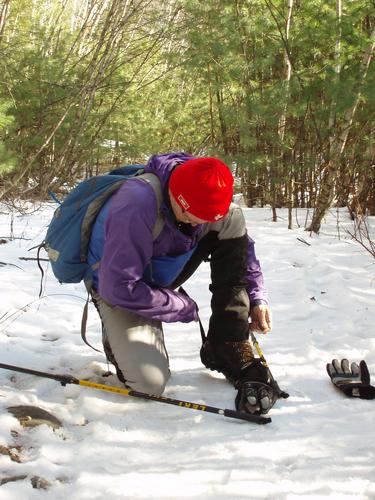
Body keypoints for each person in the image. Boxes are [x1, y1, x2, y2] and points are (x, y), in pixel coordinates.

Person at [87, 152, 280, 415]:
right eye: (190, 216)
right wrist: (179, 306)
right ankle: (116, 330)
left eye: (205, 218)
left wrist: (257, 296)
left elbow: (242, 252)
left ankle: (227, 342)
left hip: (159, 270)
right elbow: (119, 286)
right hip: (116, 284)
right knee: (148, 384)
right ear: (175, 196)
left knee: (233, 219)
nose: (198, 223)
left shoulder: (206, 206)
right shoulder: (136, 204)